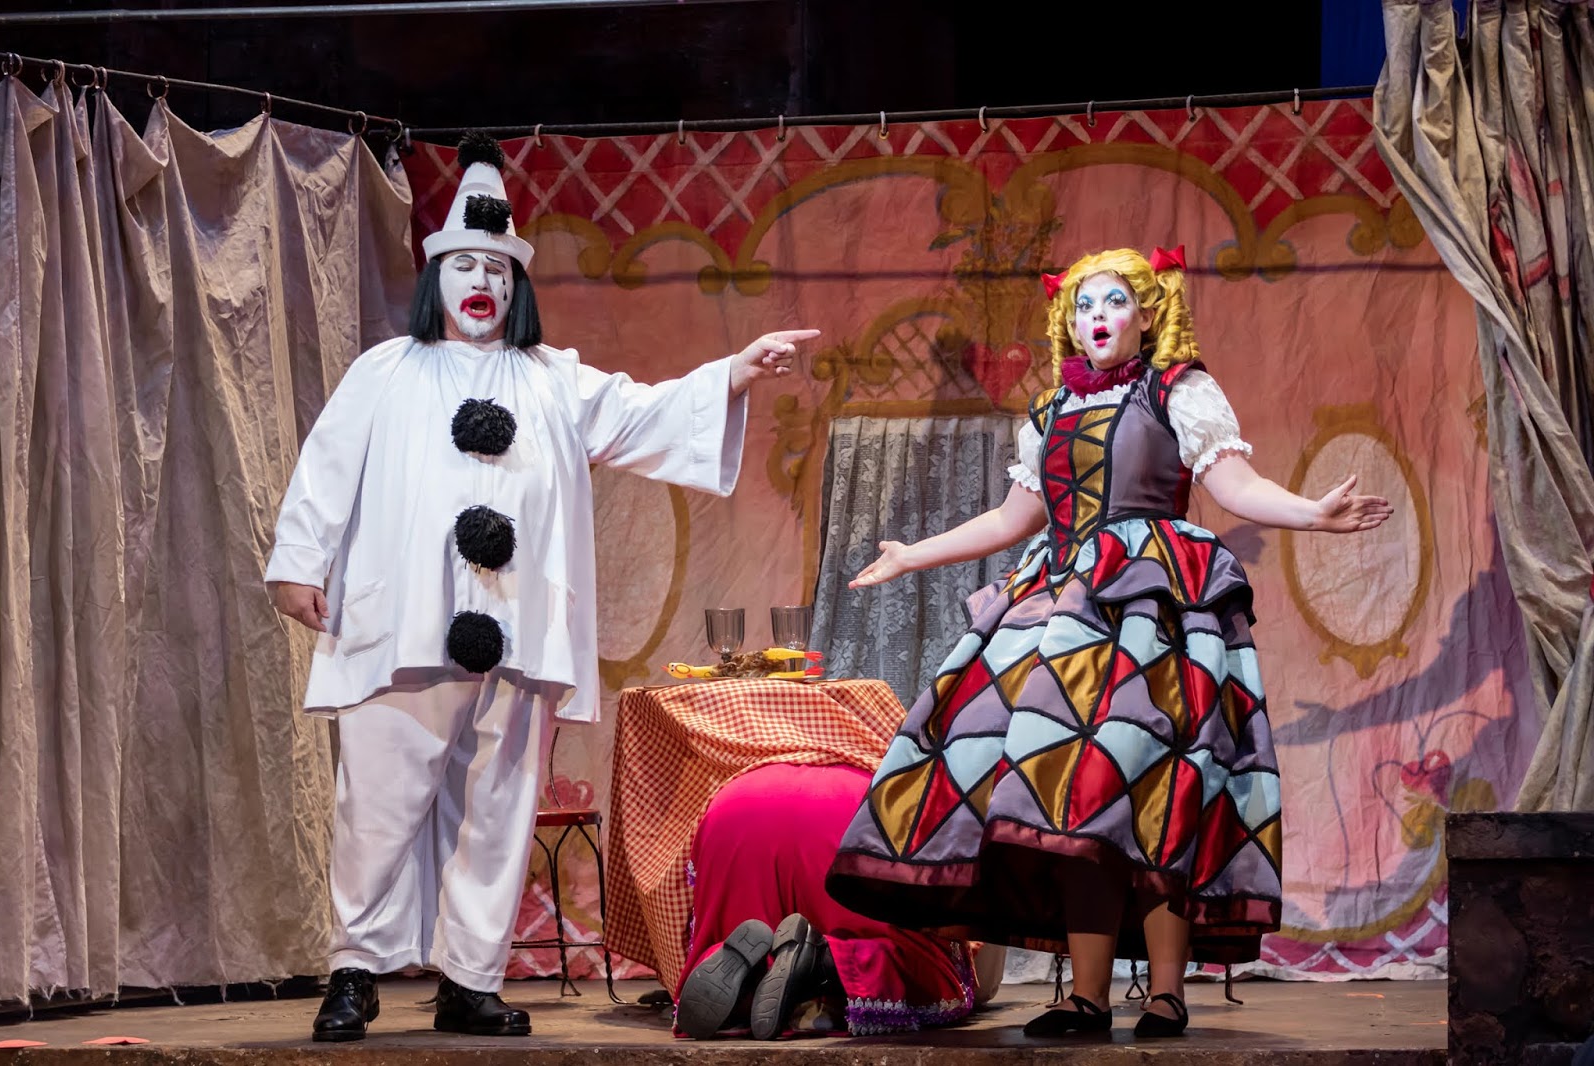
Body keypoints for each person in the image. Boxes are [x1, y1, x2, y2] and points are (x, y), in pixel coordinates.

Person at [264, 131, 819, 1042]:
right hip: (404, 623)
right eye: (463, 264)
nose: (480, 280)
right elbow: (326, 468)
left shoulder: (555, 381)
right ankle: (355, 971)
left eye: (497, 266)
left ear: (516, 285)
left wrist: (734, 372)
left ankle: (469, 979)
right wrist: (297, 561)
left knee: (497, 808)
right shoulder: (385, 372)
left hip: (519, 632)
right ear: (436, 278)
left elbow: (647, 411)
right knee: (380, 804)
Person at [825, 245, 1392, 1039]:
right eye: (1085, 305)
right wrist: (910, 554)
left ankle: (1165, 993)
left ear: (1148, 313)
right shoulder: (1052, 409)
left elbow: (1233, 487)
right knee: (1073, 799)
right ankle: (1086, 996)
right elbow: (1011, 521)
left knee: (1153, 787)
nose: (1098, 318)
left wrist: (1310, 512)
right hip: (1061, 611)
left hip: (1152, 607)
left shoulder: (1179, 392)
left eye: (1115, 302)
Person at [675, 762, 1002, 1041]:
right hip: (855, 810)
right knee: (935, 977)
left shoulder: (737, 758)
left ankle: (748, 973)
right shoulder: (889, 765)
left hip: (737, 809)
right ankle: (822, 960)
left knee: (729, 927)